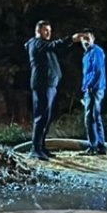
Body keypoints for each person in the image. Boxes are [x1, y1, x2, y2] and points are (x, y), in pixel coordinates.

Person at [24, 20, 81, 161]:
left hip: (50, 85)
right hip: (43, 85)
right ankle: (35, 149)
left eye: (49, 30)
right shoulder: (36, 43)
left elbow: (55, 48)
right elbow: (55, 45)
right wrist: (71, 39)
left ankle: (41, 147)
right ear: (38, 31)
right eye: (45, 30)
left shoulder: (44, 46)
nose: (48, 33)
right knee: (41, 117)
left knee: (47, 118)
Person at [79, 30, 107, 155]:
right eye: (83, 38)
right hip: (91, 88)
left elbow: (98, 70)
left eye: (87, 38)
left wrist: (90, 86)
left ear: (93, 38)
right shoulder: (87, 53)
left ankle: (93, 146)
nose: (85, 40)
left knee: (90, 118)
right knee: (95, 117)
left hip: (95, 89)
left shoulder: (96, 51)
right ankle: (100, 146)